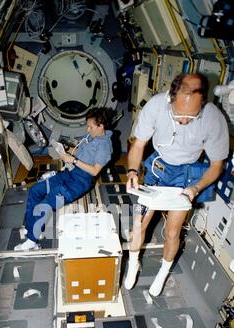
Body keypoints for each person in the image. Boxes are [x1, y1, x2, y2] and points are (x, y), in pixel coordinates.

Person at [124, 72, 229, 294]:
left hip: (186, 175)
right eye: (179, 115)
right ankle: (133, 263)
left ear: (202, 103)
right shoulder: (155, 106)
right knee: (138, 223)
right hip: (158, 167)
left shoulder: (213, 118)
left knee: (172, 232)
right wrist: (133, 171)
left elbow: (217, 165)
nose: (183, 122)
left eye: (191, 117)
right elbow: (138, 145)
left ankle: (163, 273)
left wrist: (195, 188)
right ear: (170, 99)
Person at [14, 107, 113, 251]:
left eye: (90, 127)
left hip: (79, 183)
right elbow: (81, 151)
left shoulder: (104, 145)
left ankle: (32, 240)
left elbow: (94, 170)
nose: (87, 130)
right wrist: (65, 150)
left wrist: (73, 160)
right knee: (36, 190)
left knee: (47, 202)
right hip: (69, 173)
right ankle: (32, 229)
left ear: (101, 126)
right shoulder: (91, 137)